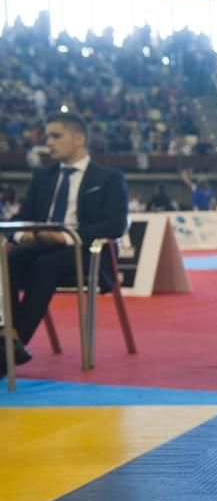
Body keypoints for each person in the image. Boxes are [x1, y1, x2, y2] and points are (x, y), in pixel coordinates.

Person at [1, 111, 127, 377]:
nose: (49, 142)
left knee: (47, 264)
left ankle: (12, 343)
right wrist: (25, 236)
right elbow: (23, 217)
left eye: (56, 136)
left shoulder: (109, 178)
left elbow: (115, 225)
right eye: (48, 136)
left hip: (83, 251)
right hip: (40, 246)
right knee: (8, 259)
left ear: (79, 138)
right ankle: (8, 337)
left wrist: (66, 236)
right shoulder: (43, 177)